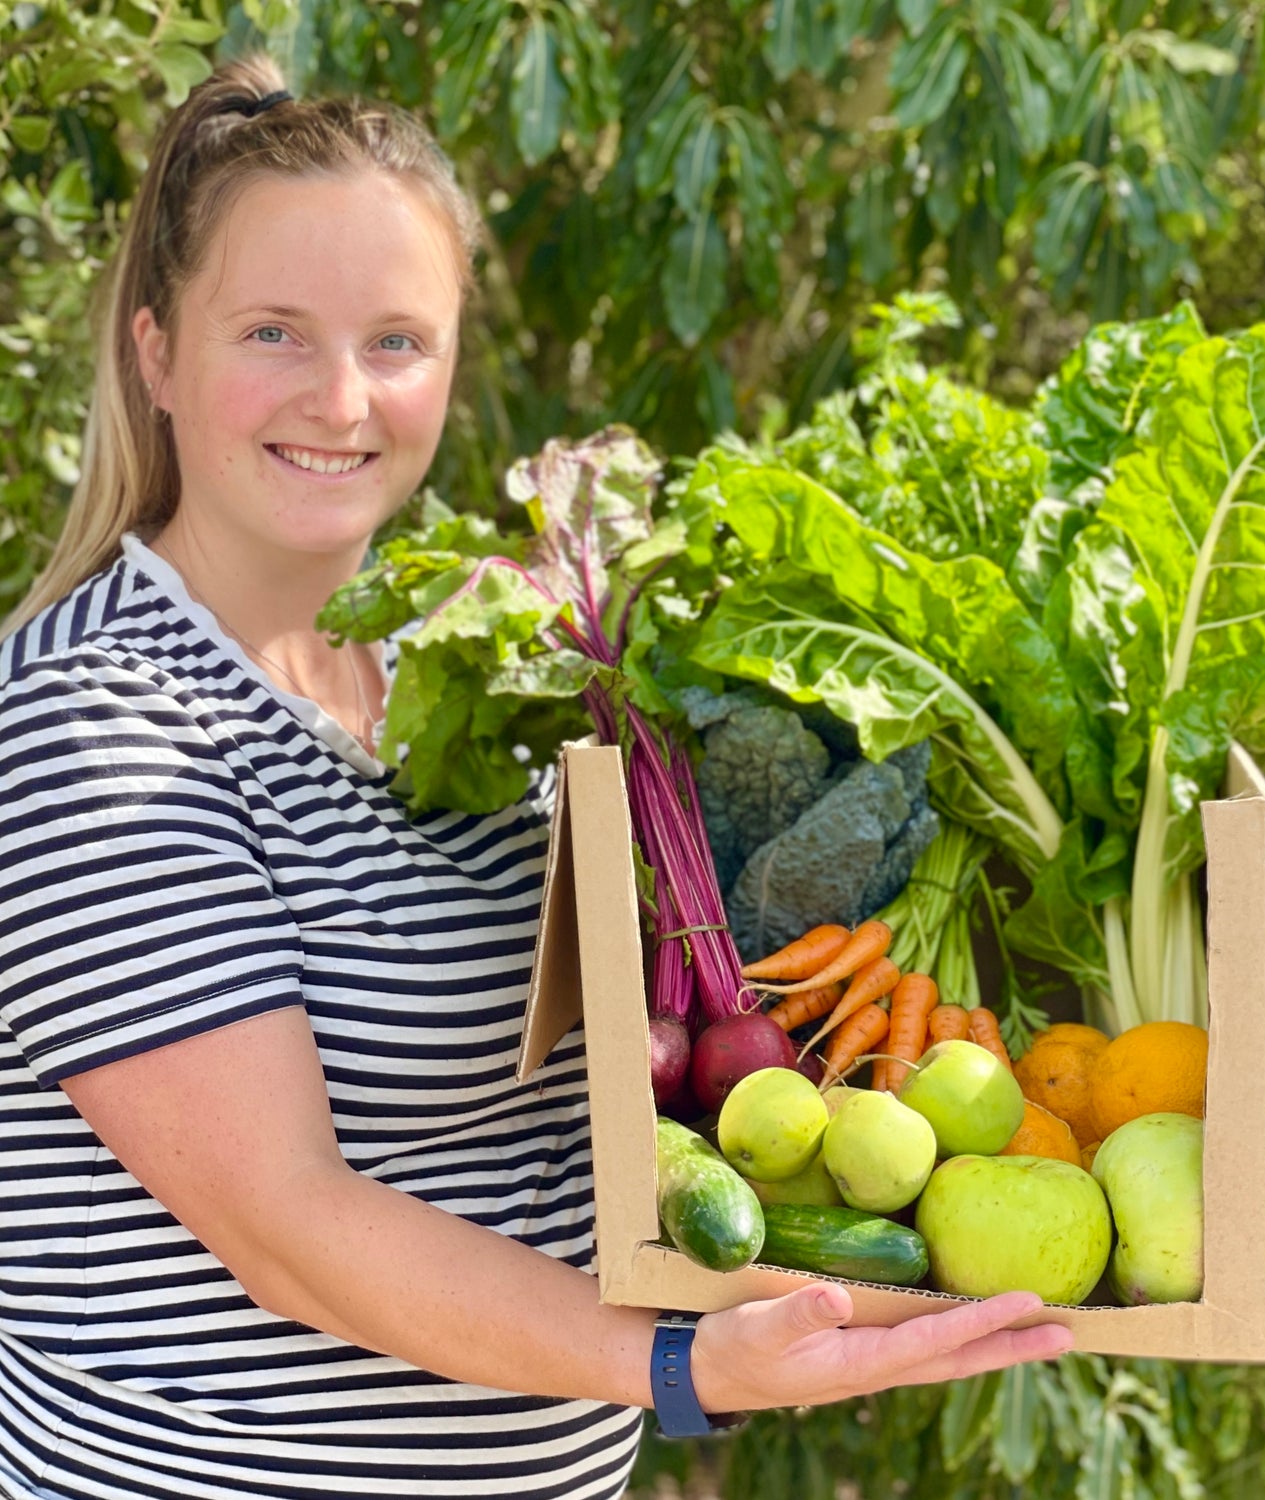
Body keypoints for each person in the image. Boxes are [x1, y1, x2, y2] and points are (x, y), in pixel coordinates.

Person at [0, 54, 1074, 1500]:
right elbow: (285, 1225)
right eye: (272, 331)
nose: (339, 397)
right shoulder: (93, 726)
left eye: (397, 341)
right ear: (153, 353)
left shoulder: (474, 680)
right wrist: (684, 1366)